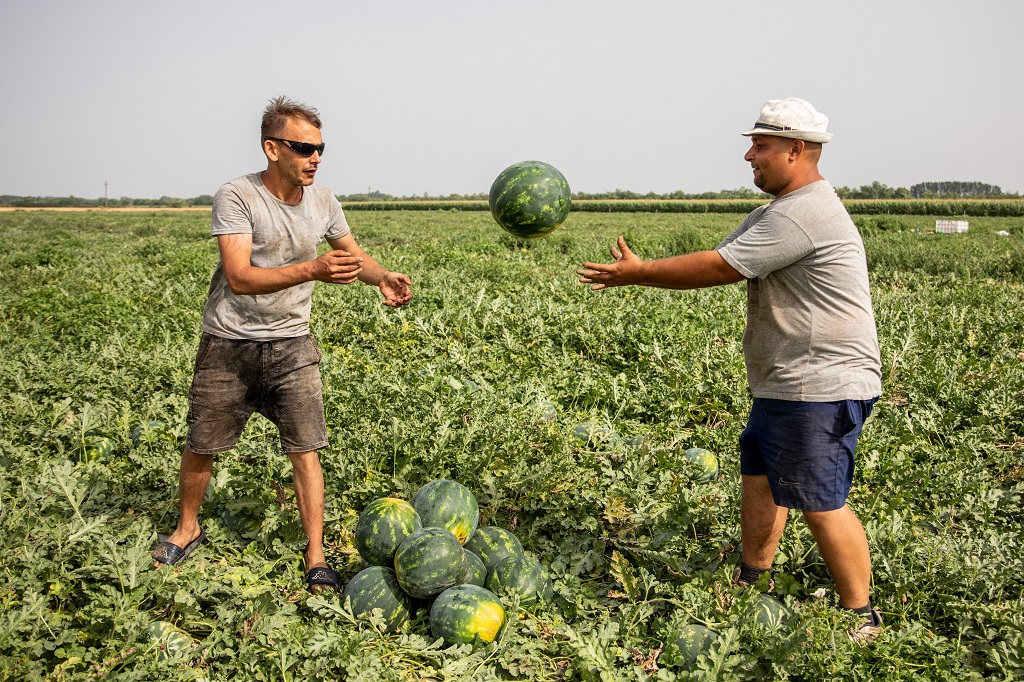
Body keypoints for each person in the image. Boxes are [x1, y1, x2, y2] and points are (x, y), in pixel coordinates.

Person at [577, 98, 884, 641]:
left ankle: (861, 614)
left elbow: (721, 267)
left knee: (820, 498)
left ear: (796, 150)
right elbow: (722, 253)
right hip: (787, 380)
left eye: (760, 146)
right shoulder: (777, 211)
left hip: (819, 381)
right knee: (762, 480)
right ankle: (753, 574)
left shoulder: (804, 213)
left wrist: (639, 273)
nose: (749, 155)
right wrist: (647, 271)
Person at [152, 96, 412, 593]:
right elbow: (240, 277)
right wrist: (313, 269)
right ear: (272, 148)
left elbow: (351, 255)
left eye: (320, 149)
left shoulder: (323, 200)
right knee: (203, 443)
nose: (314, 158)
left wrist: (380, 277)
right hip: (229, 343)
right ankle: (188, 528)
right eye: (302, 148)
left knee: (306, 448)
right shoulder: (238, 196)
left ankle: (315, 555)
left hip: (292, 344)